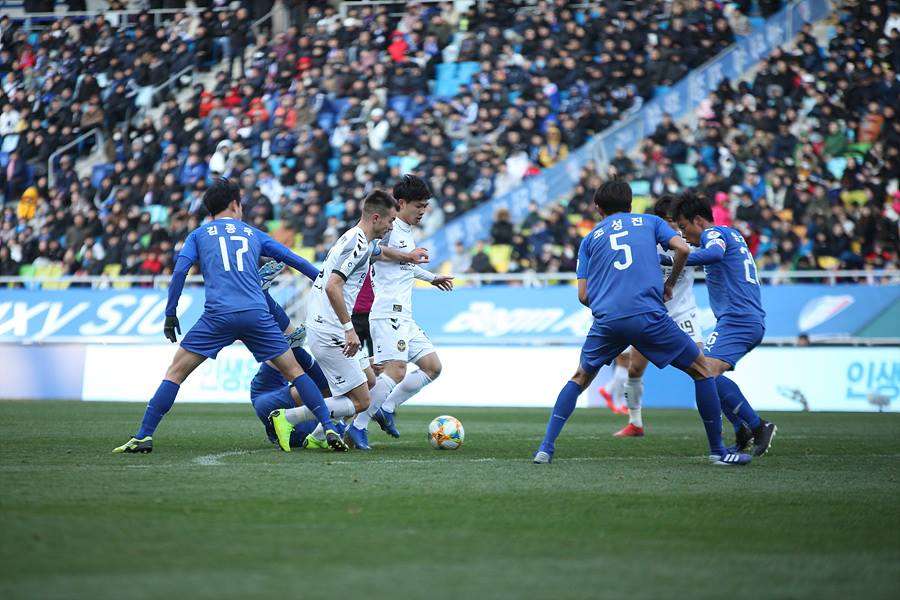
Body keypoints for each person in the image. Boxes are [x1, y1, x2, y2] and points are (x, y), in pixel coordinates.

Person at [113, 178, 348, 454]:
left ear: (209, 211)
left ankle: (144, 435)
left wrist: (170, 313)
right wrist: (321, 284)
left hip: (218, 316)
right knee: (296, 372)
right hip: (256, 314)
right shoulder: (252, 233)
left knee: (175, 374)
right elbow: (295, 260)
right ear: (236, 204)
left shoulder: (198, 235)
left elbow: (179, 272)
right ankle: (328, 426)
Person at [534, 180, 752, 466]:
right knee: (702, 370)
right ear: (630, 204)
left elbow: (583, 295)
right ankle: (719, 452)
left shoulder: (589, 238)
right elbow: (683, 251)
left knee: (580, 378)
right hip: (649, 315)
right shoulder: (650, 222)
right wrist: (669, 284)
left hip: (608, 319)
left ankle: (545, 449)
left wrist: (607, 304)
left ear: (598, 208)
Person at [269, 190, 427, 452]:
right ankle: (286, 418)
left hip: (327, 324)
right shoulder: (356, 244)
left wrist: (408, 257)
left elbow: (381, 251)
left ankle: (319, 436)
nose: (391, 227)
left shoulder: (361, 240)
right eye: (389, 221)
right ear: (376, 218)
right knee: (361, 401)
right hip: (330, 328)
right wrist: (348, 329)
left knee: (371, 381)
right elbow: (333, 286)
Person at [348, 175, 454, 449]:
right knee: (396, 370)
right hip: (387, 312)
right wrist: (408, 255)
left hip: (404, 315)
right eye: (419, 205)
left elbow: (405, 265)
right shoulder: (390, 227)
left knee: (432, 367)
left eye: (426, 206)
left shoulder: (407, 232)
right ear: (402, 203)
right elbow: (373, 250)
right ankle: (357, 427)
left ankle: (388, 407)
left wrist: (432, 278)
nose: (423, 211)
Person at [672, 191, 777, 456]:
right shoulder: (732, 234)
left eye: (684, 228)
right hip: (743, 318)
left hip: (739, 320)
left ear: (698, 220)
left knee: (703, 371)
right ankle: (742, 428)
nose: (684, 236)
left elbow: (715, 254)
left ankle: (757, 425)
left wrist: (675, 259)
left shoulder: (714, 234)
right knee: (704, 371)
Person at [614, 195, 705, 437]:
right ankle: (635, 423)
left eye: (676, 222)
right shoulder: (645, 243)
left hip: (682, 312)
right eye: (668, 221)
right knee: (634, 370)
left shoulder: (691, 241)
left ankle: (723, 421)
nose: (673, 227)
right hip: (653, 314)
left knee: (703, 368)